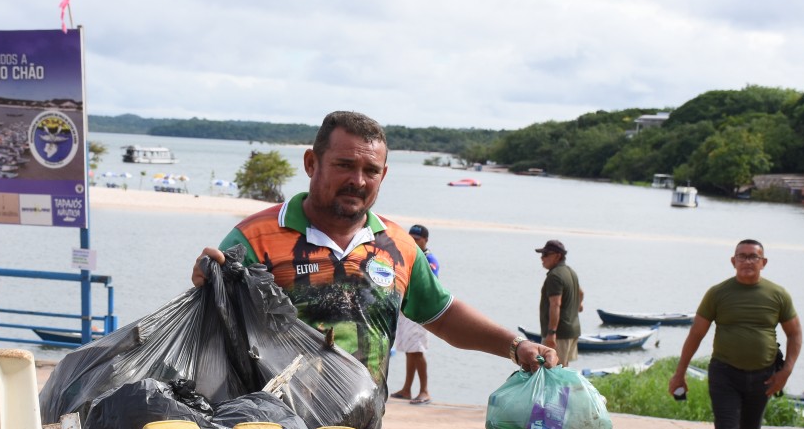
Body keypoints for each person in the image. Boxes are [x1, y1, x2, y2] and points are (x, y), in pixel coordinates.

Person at [192, 110, 556, 411]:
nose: (358, 181)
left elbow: (443, 315)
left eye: (371, 171)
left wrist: (515, 345)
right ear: (311, 162)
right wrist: (205, 284)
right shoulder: (254, 238)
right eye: (344, 165)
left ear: (384, 175)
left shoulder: (399, 247)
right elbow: (209, 333)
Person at [668, 239, 803, 429]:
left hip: (763, 377)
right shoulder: (717, 293)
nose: (747, 261)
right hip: (725, 374)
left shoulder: (778, 295)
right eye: (742, 256)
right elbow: (696, 334)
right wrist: (679, 373)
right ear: (733, 261)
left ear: (763, 262)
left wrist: (786, 371)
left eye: (753, 257)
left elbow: (795, 334)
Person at [390, 224, 439, 404]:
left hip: (420, 311)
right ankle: (406, 389)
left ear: (425, 240)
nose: (413, 242)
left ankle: (424, 391)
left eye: (417, 239)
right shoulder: (410, 256)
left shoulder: (429, 259)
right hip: (406, 309)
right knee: (409, 350)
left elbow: (429, 284)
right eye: (410, 238)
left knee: (417, 350)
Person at [536, 239, 583, 367]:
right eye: (541, 254)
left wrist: (551, 333)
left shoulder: (555, 276)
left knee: (552, 369)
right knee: (563, 368)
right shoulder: (570, 272)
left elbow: (555, 304)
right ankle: (566, 388)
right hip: (572, 331)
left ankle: (561, 388)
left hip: (559, 334)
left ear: (558, 256)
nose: (542, 258)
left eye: (546, 254)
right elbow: (581, 293)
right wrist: (578, 306)